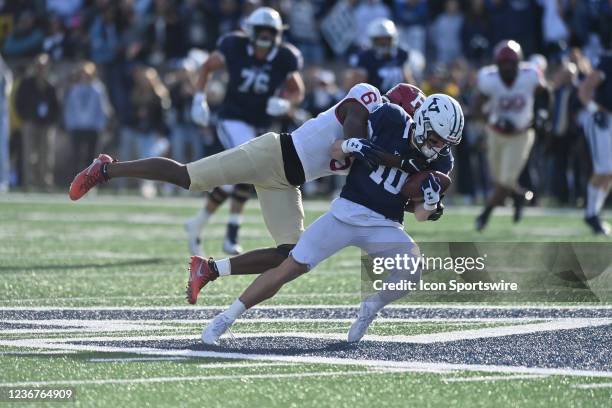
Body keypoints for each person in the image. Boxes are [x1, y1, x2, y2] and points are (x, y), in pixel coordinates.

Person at [68, 83, 428, 306]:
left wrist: (422, 200)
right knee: (188, 177)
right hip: (271, 154)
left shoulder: (386, 145)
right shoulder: (366, 100)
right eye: (411, 120)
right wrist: (376, 152)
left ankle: (209, 269)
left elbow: (387, 192)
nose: (412, 130)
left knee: (290, 255)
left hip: (287, 183)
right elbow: (347, 137)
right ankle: (106, 168)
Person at [200, 93, 464, 345]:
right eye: (436, 139)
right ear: (421, 122)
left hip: (385, 224)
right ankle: (225, 318)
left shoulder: (441, 163)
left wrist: (429, 204)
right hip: (345, 213)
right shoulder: (391, 119)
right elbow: (337, 150)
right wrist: (351, 145)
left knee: (411, 270)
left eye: (445, 143)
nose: (438, 147)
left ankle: (371, 306)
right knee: (288, 269)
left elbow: (419, 215)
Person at [186, 7, 305, 256]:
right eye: (260, 30)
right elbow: (207, 66)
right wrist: (199, 98)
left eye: (269, 31)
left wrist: (287, 104)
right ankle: (226, 231)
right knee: (249, 167)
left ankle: (207, 225)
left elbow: (297, 90)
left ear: (278, 33)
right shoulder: (234, 46)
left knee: (245, 173)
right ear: (250, 31)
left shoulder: (285, 57)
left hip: (260, 122)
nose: (264, 35)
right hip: (232, 118)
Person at [472, 40, 548, 231]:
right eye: (503, 63)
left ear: (518, 62)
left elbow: (546, 94)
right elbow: (476, 108)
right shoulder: (488, 78)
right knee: (500, 181)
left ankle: (485, 215)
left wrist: (542, 114)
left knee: (505, 181)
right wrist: (493, 120)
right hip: (496, 133)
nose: (506, 67)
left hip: (521, 133)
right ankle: (519, 196)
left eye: (510, 63)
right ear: (497, 64)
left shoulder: (530, 75)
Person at [14, 54, 60, 191]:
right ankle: (30, 183)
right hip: (30, 122)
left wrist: (52, 120)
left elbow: (57, 105)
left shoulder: (51, 84)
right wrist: (24, 117)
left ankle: (45, 183)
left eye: (44, 66)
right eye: (39, 66)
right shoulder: (27, 83)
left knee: (47, 156)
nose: (41, 69)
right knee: (29, 154)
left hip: (46, 125)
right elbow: (18, 102)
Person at [578, 50, 612, 235]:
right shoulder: (607, 62)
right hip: (602, 119)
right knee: (604, 169)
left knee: (610, 173)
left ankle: (594, 213)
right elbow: (584, 89)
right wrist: (594, 109)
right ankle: (591, 214)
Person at [63, 62, 111, 174]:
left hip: (93, 128)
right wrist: (70, 124)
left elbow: (103, 109)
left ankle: (90, 181)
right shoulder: (74, 89)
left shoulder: (98, 89)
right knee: (76, 157)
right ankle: (76, 181)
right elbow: (69, 108)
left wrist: (101, 125)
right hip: (77, 127)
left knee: (92, 158)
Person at [348, 18, 412, 93]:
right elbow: (357, 88)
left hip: (399, 100)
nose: (383, 43)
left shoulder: (401, 54)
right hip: (375, 101)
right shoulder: (365, 57)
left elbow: (408, 81)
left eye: (386, 39)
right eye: (379, 40)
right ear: (372, 40)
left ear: (393, 38)